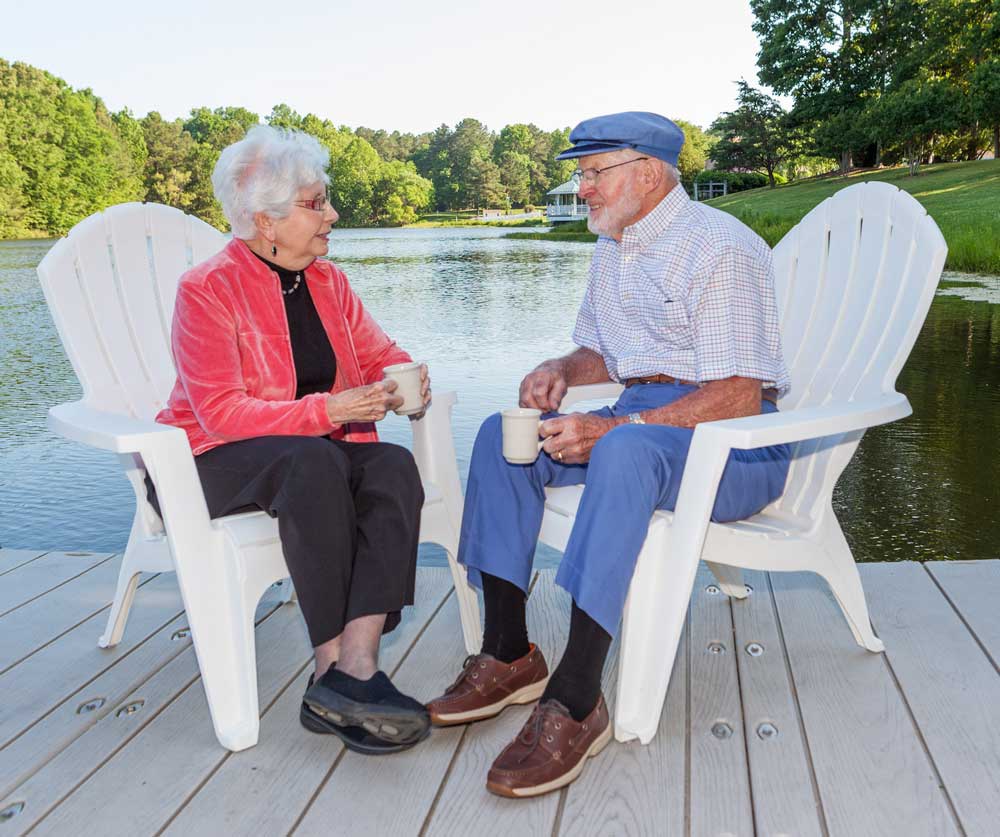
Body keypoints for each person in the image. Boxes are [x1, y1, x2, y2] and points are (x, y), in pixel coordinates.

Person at [425, 112, 792, 796]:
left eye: (595, 173)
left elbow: (740, 393)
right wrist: (560, 370)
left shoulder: (720, 247)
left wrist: (617, 430)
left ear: (647, 174)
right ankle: (509, 651)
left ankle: (575, 695)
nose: (582, 188)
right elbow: (609, 356)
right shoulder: (615, 246)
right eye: (582, 173)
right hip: (645, 418)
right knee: (504, 435)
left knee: (622, 450)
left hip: (737, 445)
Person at [153, 125, 431, 755]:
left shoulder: (329, 283)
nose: (332, 214)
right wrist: (326, 409)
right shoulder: (207, 289)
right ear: (265, 222)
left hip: (308, 458)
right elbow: (221, 413)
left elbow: (378, 353)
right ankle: (330, 670)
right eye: (315, 204)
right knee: (314, 462)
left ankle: (354, 670)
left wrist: (404, 377)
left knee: (390, 467)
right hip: (205, 461)